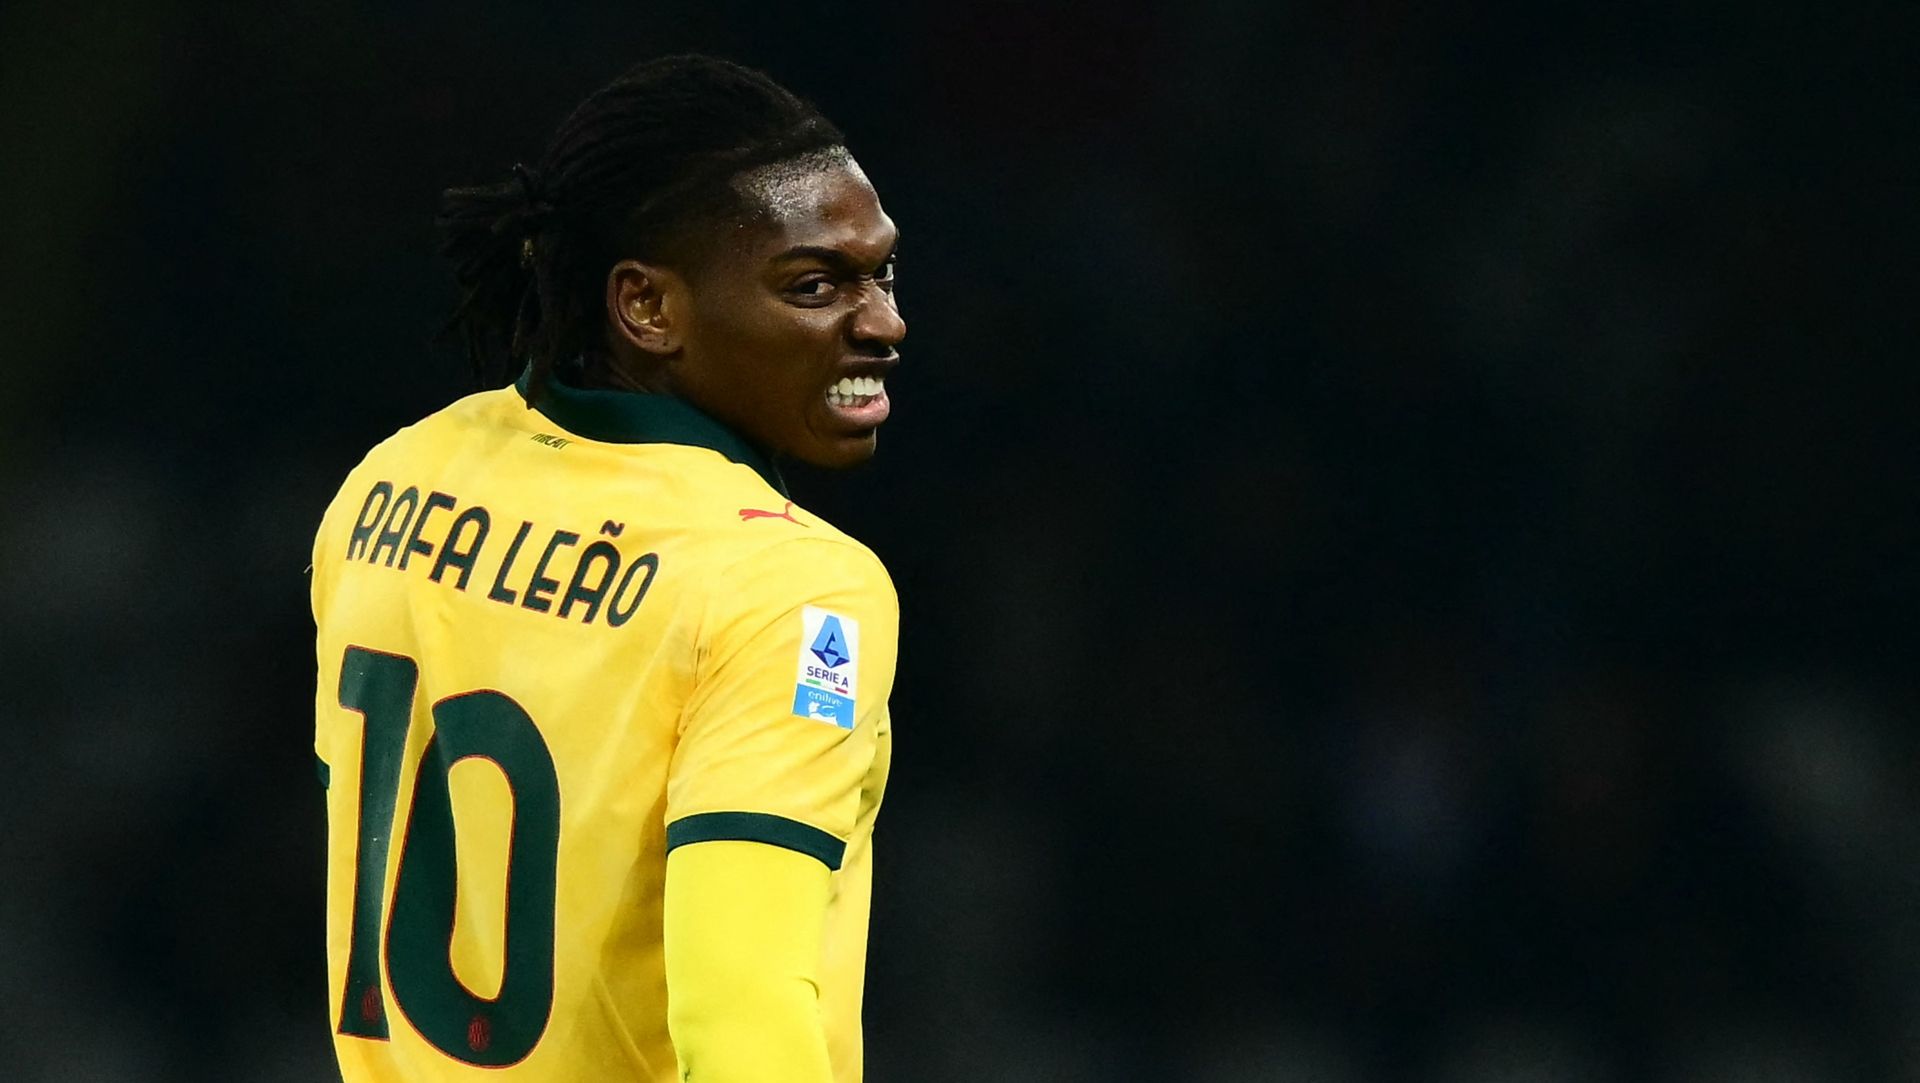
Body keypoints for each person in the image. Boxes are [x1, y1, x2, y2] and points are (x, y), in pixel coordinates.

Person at [310, 55, 905, 1082]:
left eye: (882, 273)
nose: (884, 323)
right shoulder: (787, 586)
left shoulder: (393, 483)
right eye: (814, 286)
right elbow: (740, 1013)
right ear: (648, 307)